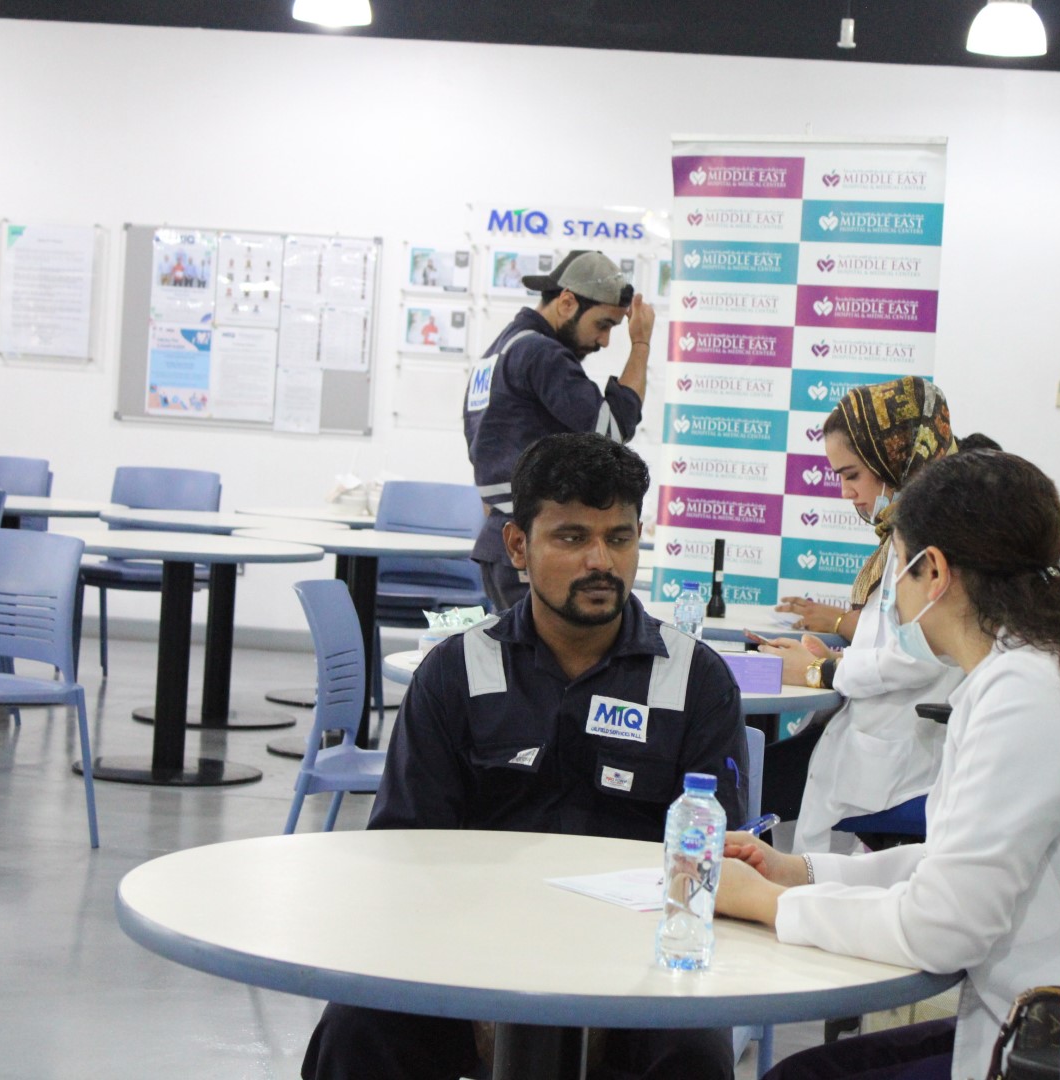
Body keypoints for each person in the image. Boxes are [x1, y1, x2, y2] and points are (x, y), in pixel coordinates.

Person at [302, 432, 746, 1080]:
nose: (600, 561)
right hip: (467, 955)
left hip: (637, 971)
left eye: (619, 537)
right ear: (517, 546)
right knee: (354, 1032)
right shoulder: (455, 673)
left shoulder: (696, 681)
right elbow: (404, 855)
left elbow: (718, 867)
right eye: (571, 537)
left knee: (695, 1056)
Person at [716, 449, 1060, 1080]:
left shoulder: (1023, 695)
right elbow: (951, 865)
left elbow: (941, 928)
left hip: (1035, 1043)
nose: (892, 605)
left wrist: (769, 904)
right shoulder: (1019, 673)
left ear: (933, 571)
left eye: (895, 574)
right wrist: (798, 872)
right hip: (1019, 1016)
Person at [759, 377, 965, 853]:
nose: (846, 493)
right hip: (875, 735)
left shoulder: (936, 541)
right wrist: (832, 656)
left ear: (895, 458)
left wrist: (819, 670)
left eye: (852, 475)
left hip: (904, 756)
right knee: (761, 780)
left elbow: (918, 657)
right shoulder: (904, 534)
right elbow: (890, 641)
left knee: (750, 785)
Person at [464, 250, 655, 611]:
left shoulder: (501, 349)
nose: (604, 341)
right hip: (536, 544)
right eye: (603, 324)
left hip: (504, 539)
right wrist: (641, 345)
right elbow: (612, 434)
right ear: (567, 302)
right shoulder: (541, 353)